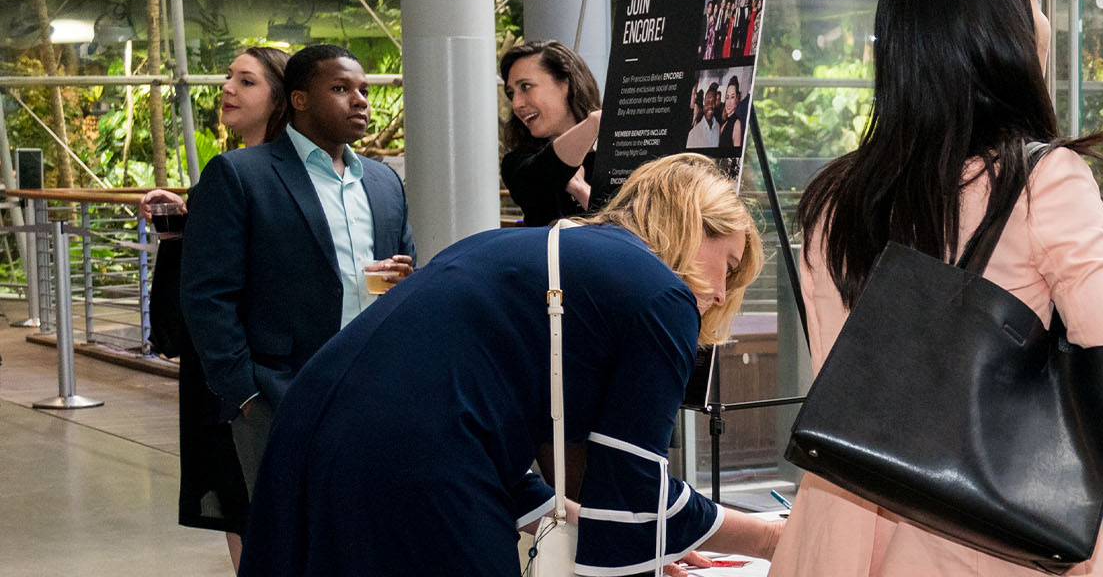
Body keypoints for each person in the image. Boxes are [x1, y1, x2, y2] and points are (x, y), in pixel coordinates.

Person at [769, 0, 1103, 577]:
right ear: (1007, 35)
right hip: (982, 541)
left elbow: (850, 385)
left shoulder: (833, 199)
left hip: (836, 537)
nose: (1046, 21)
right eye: (1036, 4)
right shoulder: (1043, 180)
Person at [238, 153, 783, 574]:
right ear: (693, 225)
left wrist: (656, 532)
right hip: (417, 465)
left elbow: (458, 400)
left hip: (308, 433)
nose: (718, 293)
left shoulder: (516, 247)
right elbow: (632, 484)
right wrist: (770, 538)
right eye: (728, 265)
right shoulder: (660, 293)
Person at [182, 43, 415, 492]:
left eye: (363, 89)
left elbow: (405, 270)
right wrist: (245, 394)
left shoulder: (384, 182)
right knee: (289, 541)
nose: (361, 99)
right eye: (341, 88)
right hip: (278, 393)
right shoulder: (239, 174)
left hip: (373, 386)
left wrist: (404, 278)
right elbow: (207, 293)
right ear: (300, 100)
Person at [139, 46, 289, 566]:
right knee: (240, 503)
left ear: (281, 98)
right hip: (231, 373)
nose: (227, 88)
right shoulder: (227, 174)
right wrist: (181, 229)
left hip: (246, 374)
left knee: (252, 504)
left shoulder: (259, 175)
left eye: (246, 81)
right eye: (229, 77)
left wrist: (241, 387)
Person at [500, 39, 603, 226]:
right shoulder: (517, 164)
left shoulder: (620, 156)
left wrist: (581, 190)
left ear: (566, 84)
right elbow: (545, 173)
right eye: (511, 93)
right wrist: (593, 124)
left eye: (526, 87)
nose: (516, 104)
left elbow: (632, 230)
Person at [686, 81, 721, 148]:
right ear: (704, 104)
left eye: (713, 102)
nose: (710, 105)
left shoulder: (717, 126)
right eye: (707, 102)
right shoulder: (693, 134)